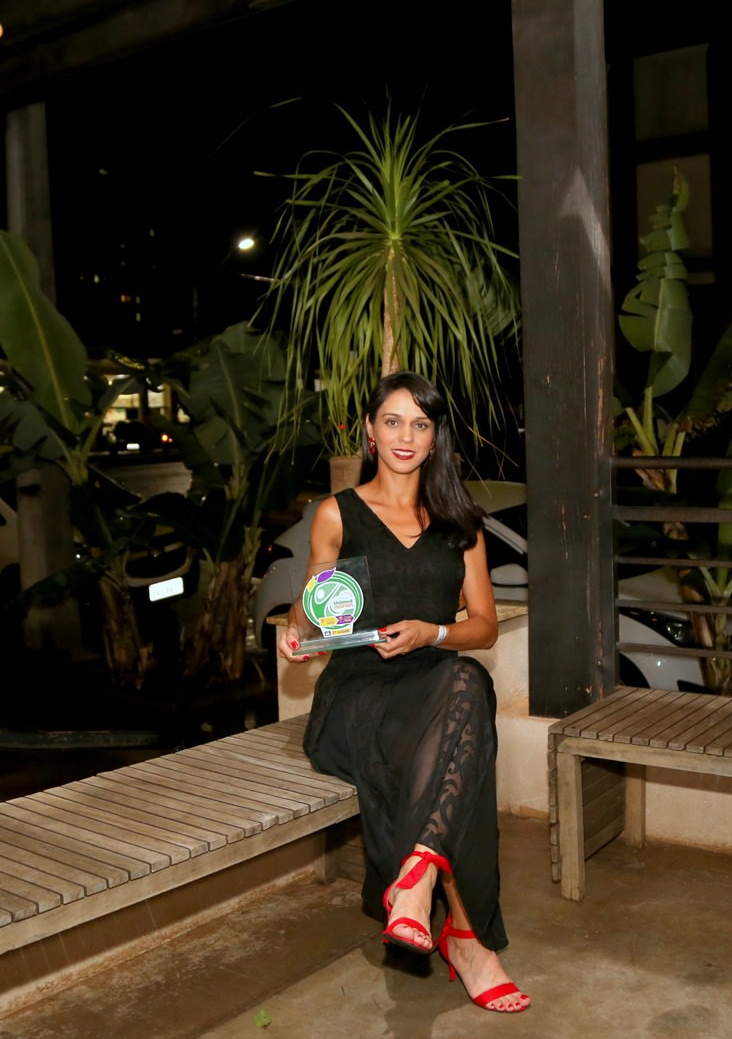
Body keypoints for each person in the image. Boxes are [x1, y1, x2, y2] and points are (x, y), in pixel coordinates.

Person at [277, 371, 530, 1014]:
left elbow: (482, 627)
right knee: (466, 734)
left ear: (436, 436)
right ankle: (468, 940)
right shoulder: (337, 513)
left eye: (420, 424)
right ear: (370, 429)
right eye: (392, 421)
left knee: (465, 684)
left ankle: (415, 880)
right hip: (357, 695)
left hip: (433, 686)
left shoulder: (460, 523)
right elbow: (316, 607)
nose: (405, 436)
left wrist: (431, 632)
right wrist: (297, 631)